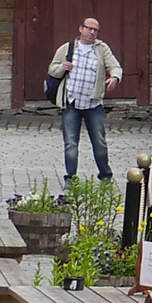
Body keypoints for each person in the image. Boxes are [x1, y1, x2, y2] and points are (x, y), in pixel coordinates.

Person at [49, 16, 125, 181]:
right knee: (71, 144)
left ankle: (105, 176)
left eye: (95, 30)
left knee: (99, 142)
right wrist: (62, 67)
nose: (91, 32)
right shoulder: (67, 48)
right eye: (88, 28)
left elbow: (115, 66)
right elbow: (52, 70)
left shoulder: (101, 49)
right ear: (80, 29)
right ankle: (70, 178)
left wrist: (114, 78)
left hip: (93, 103)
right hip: (71, 103)